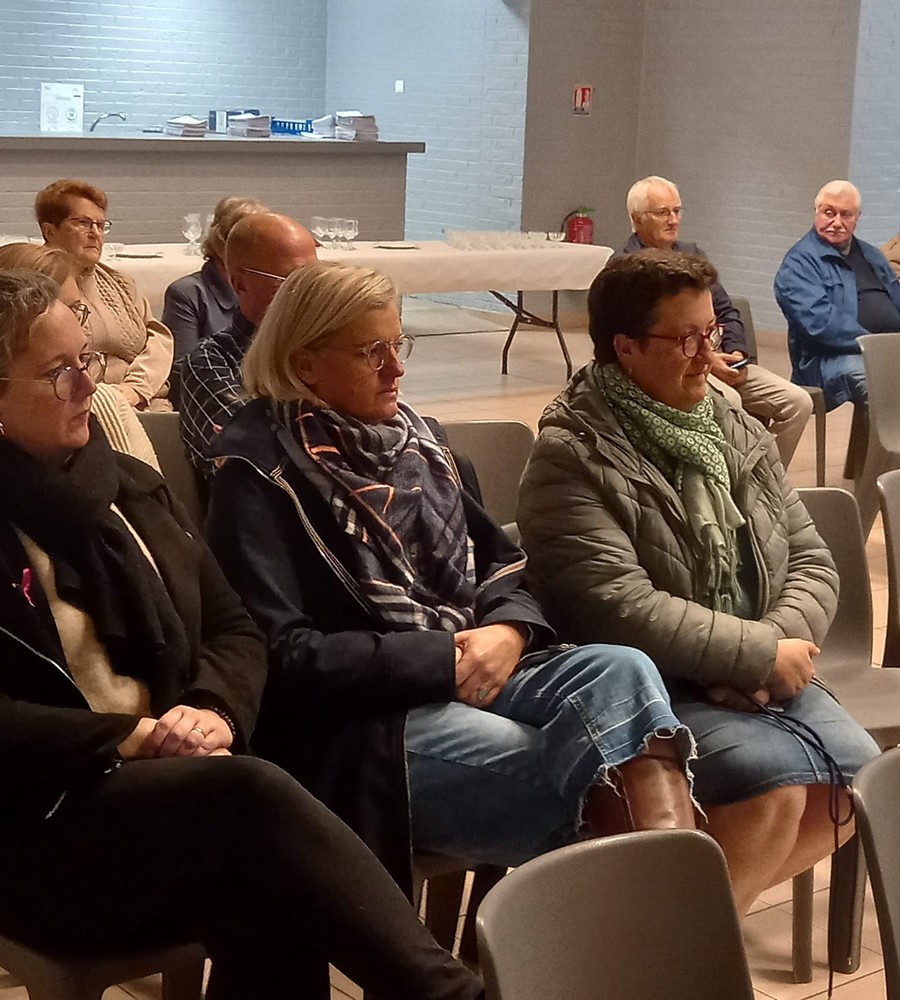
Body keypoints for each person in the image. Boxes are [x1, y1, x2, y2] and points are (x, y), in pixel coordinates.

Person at [0, 268, 484, 1000]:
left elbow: (233, 628)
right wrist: (131, 738)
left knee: (269, 903)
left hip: (168, 798)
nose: (87, 386)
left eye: (86, 360)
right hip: (37, 825)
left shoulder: (127, 487)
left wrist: (212, 709)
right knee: (250, 793)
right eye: (55, 373)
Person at [205, 259, 697, 898]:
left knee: (624, 670)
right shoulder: (255, 473)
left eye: (398, 343)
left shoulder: (423, 445)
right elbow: (280, 655)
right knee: (584, 769)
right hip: (366, 720)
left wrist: (510, 633)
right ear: (305, 365)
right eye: (371, 352)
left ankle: (665, 910)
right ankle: (675, 913)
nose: (396, 368)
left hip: (475, 665)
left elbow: (504, 567)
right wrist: (441, 658)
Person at [517, 250, 880, 915]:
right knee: (771, 790)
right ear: (625, 347)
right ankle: (685, 952)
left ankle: (677, 945)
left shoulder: (732, 424)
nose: (708, 355)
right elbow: (616, 606)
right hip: (654, 686)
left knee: (854, 782)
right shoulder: (572, 451)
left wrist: (769, 653)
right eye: (685, 339)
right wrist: (756, 656)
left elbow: (811, 559)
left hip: (758, 665)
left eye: (710, 331)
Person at [621, 175, 812, 467]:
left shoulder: (693, 256)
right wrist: (708, 360)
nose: (673, 219)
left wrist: (736, 353)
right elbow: (652, 336)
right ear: (637, 218)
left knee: (798, 402)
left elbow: (726, 310)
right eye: (662, 212)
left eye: (677, 210)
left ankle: (767, 480)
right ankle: (728, 481)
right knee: (730, 403)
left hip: (720, 360)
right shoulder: (627, 268)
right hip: (678, 368)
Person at [180, 212, 317, 481]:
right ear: (240, 284)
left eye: (314, 278)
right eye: (291, 280)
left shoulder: (326, 346)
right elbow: (262, 460)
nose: (309, 292)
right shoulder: (211, 362)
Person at [0, 242, 160, 472]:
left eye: (77, 310)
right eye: (62, 310)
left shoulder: (109, 406)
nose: (74, 326)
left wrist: (138, 387)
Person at [35, 178, 175, 411]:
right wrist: (112, 399)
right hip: (85, 406)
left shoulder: (120, 282)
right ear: (49, 231)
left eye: (100, 225)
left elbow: (159, 339)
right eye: (83, 223)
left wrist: (136, 388)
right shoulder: (36, 285)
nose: (95, 233)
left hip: (146, 399)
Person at [774, 179, 900, 411]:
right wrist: (878, 347)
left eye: (846, 214)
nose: (837, 222)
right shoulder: (798, 263)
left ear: (857, 217)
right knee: (879, 381)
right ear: (816, 212)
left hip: (886, 350)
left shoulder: (872, 255)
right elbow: (820, 324)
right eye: (829, 213)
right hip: (827, 359)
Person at [162, 195, 269, 361]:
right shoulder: (187, 293)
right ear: (222, 245)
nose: (262, 253)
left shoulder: (269, 287)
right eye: (251, 244)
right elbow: (181, 367)